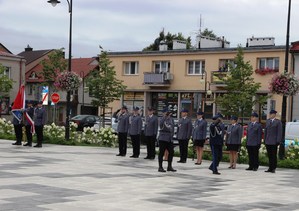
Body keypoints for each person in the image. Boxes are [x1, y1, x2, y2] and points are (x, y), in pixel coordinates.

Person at [158, 108, 176, 172]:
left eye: (168, 112)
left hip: (169, 138)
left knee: (171, 152)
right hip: (163, 138)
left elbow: (172, 127)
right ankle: (160, 167)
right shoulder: (161, 119)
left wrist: (172, 135)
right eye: (166, 112)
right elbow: (161, 124)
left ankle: (169, 166)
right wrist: (165, 116)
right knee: (161, 153)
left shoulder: (171, 119)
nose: (167, 114)